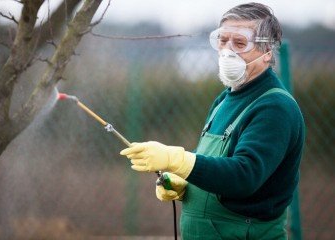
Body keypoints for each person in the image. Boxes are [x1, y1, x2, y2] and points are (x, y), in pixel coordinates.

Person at [120, 2, 305, 239]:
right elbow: (212, 160)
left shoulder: (275, 108)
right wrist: (184, 180)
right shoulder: (225, 99)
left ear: (267, 52)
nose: (227, 51)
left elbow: (244, 175)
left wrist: (178, 159)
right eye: (222, 40)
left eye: (239, 43)